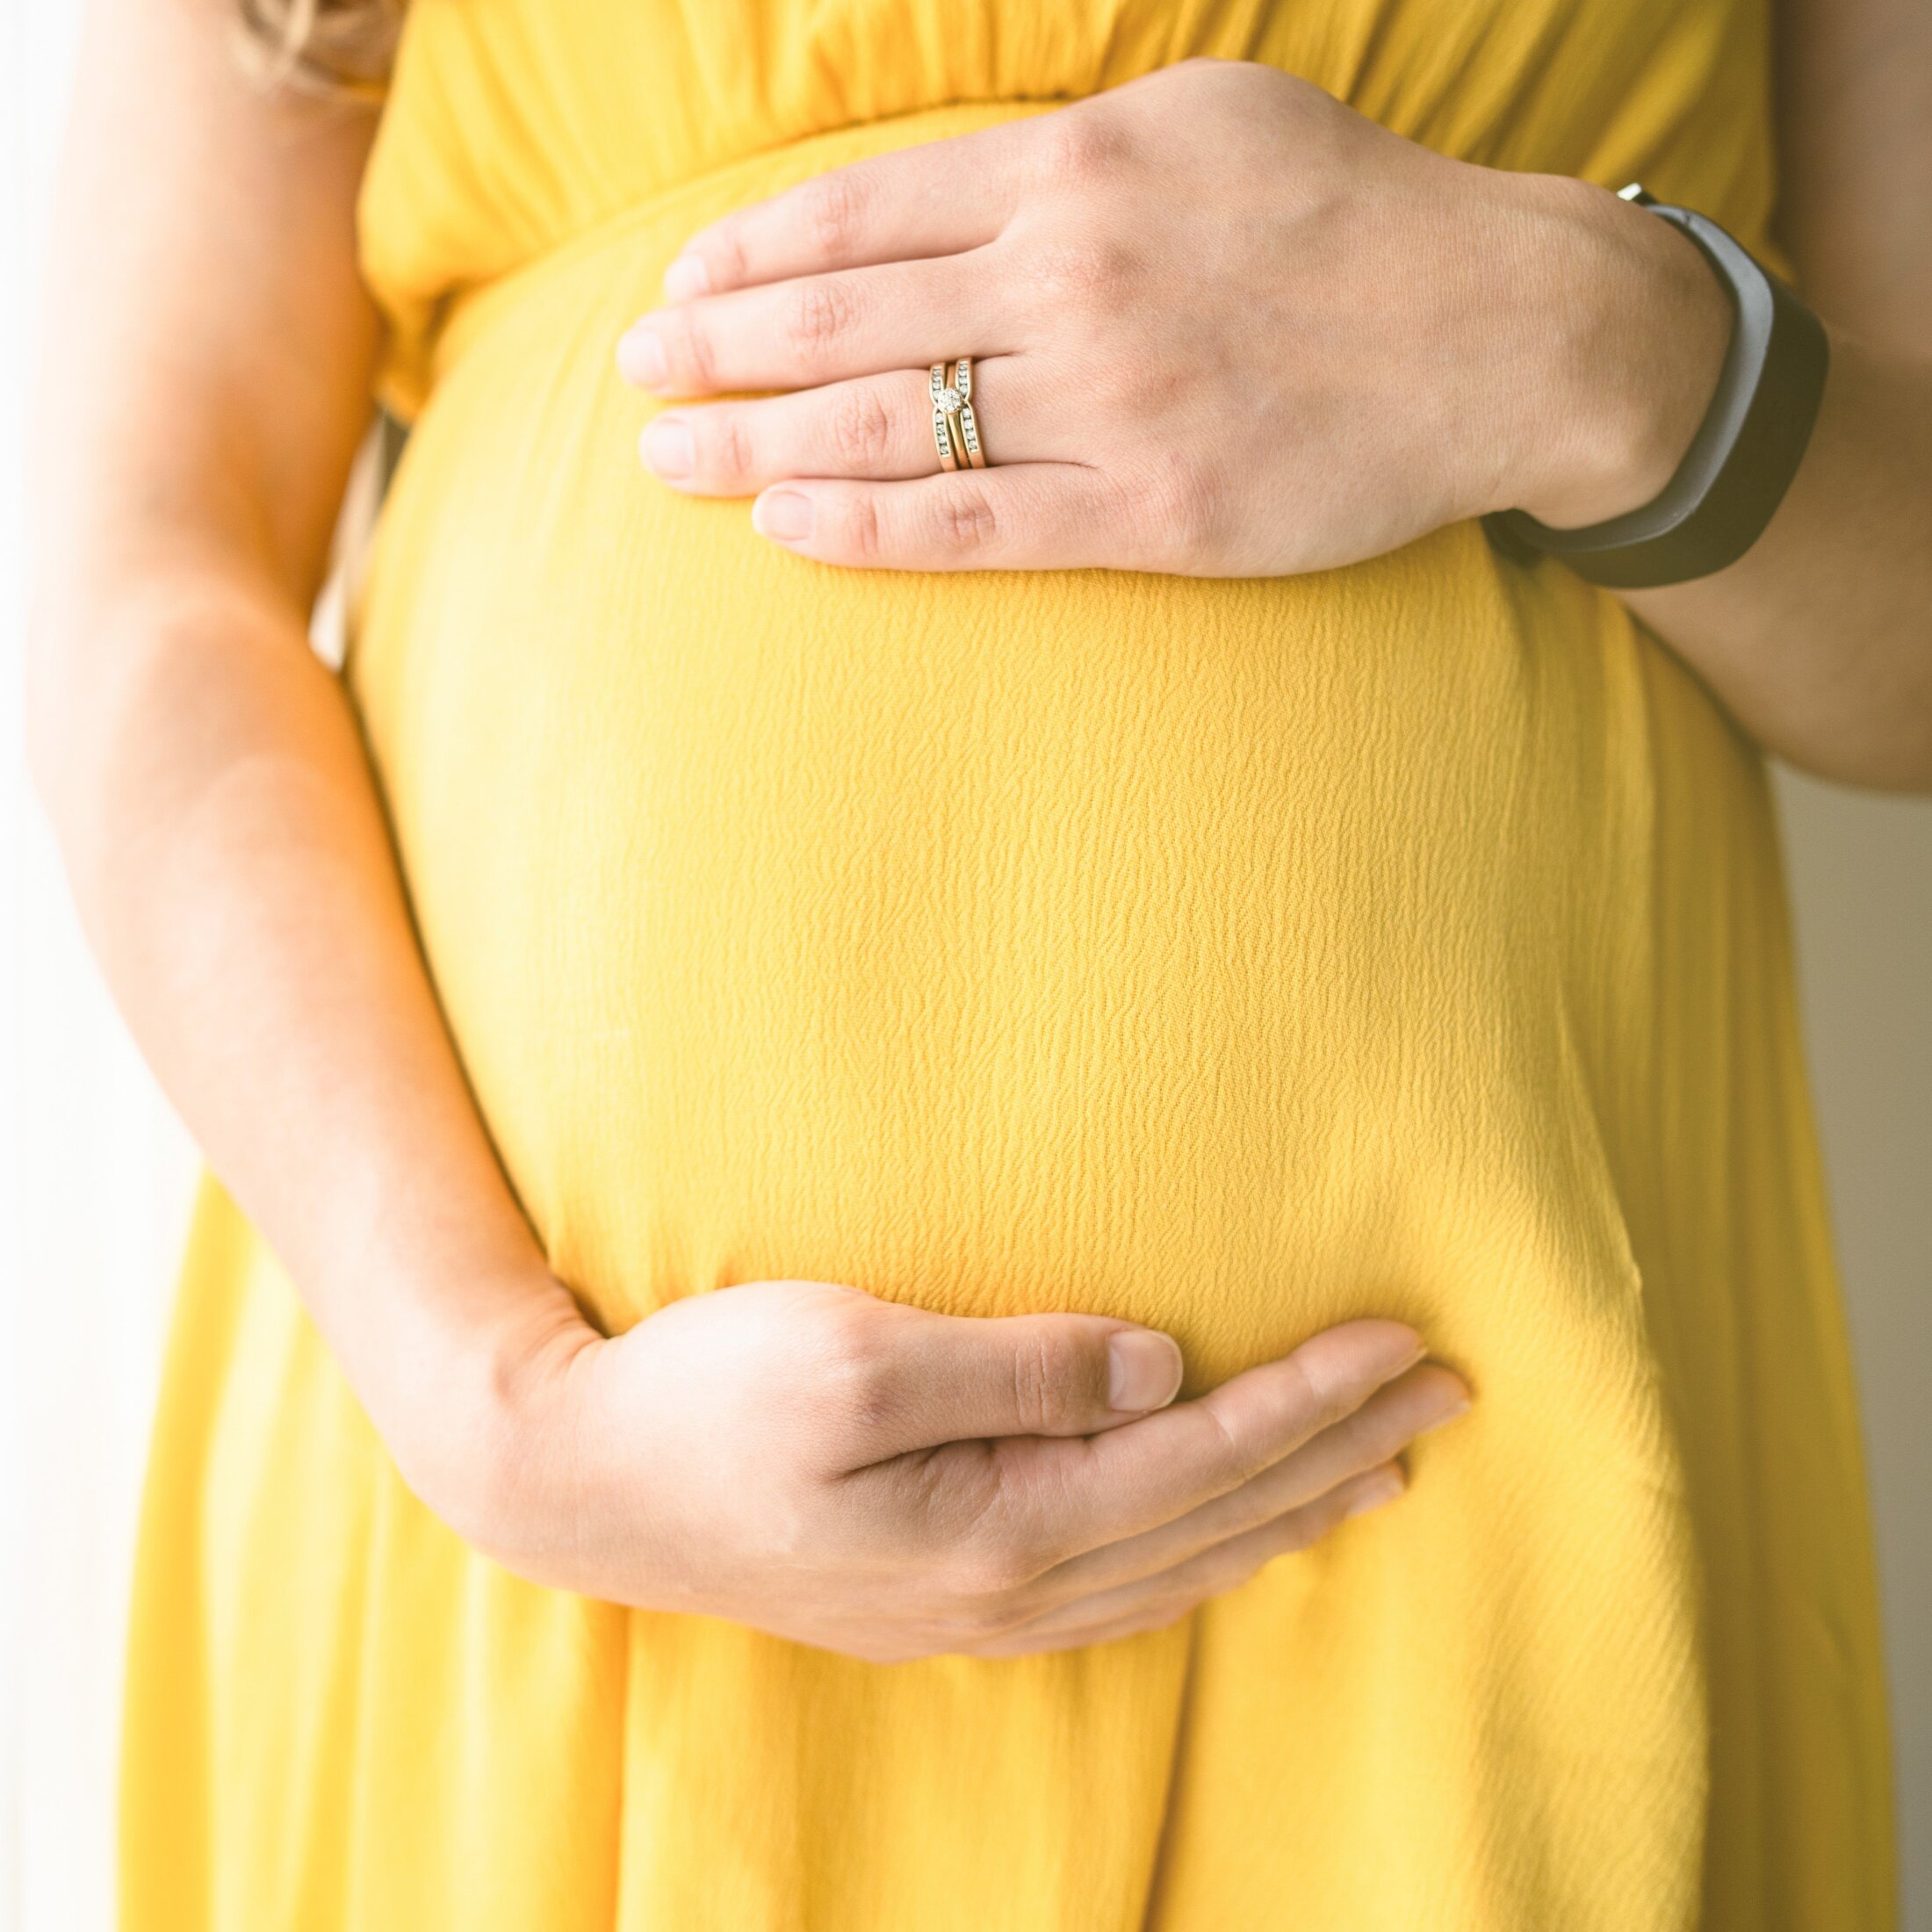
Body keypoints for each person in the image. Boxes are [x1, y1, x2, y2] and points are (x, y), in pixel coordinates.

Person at [25, 0, 1928, 1923]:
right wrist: (497, 1404)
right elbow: (150, 557)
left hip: (1453, 1502)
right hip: (575, 1538)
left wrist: (1593, 344)